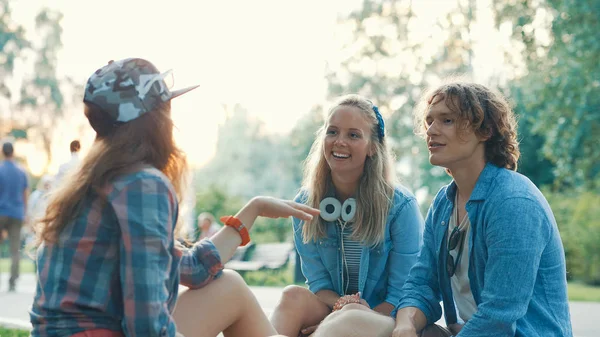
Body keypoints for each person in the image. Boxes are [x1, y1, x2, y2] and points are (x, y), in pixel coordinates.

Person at [29, 58, 319, 337]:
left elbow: (193, 268)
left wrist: (254, 208)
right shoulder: (141, 185)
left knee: (229, 285)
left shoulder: (93, 183)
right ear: (155, 119)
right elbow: (145, 326)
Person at [313, 81, 573, 337]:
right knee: (352, 319)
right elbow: (421, 285)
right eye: (429, 121)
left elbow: (498, 318)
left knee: (350, 325)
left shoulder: (514, 203)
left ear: (486, 131)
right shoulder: (444, 203)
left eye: (447, 120)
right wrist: (405, 325)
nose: (431, 131)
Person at [269, 94, 424, 336]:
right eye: (332, 132)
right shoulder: (304, 205)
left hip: (384, 314)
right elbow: (318, 285)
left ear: (373, 146)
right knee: (292, 296)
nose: (339, 141)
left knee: (350, 318)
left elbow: (403, 294)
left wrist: (351, 314)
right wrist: (342, 308)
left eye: (353, 135)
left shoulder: (401, 207)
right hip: (337, 309)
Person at [0, 141, 29, 292]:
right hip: (17, 213)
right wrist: (25, 213)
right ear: (13, 152)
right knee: (14, 248)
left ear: (2, 152)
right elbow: (25, 194)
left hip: (1, 212)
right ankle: (12, 281)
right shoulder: (21, 171)